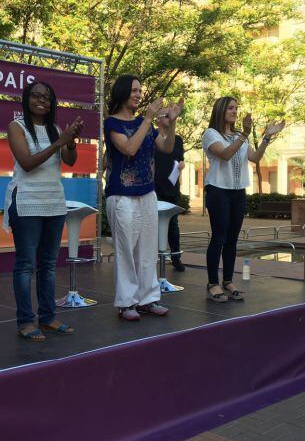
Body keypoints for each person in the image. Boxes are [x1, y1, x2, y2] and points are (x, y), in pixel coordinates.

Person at [5, 81, 82, 341]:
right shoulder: (16, 127)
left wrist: (70, 143)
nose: (41, 100)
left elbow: (70, 162)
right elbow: (26, 163)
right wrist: (59, 142)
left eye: (47, 97)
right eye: (36, 95)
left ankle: (47, 317)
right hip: (26, 203)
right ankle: (25, 321)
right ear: (26, 98)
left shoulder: (55, 129)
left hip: (54, 202)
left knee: (48, 265)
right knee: (26, 265)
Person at [104, 75, 182, 321]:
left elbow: (167, 148)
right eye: (134, 90)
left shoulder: (143, 123)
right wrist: (148, 118)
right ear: (122, 93)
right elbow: (128, 149)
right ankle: (127, 303)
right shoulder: (112, 123)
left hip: (147, 193)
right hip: (121, 195)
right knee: (126, 251)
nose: (138, 94)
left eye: (140, 90)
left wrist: (172, 124)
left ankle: (148, 299)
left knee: (148, 250)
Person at [202, 97, 284, 302]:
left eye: (236, 108)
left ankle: (228, 281)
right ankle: (213, 283)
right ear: (220, 110)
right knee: (219, 237)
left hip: (238, 191)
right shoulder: (211, 134)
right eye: (231, 108)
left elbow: (254, 158)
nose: (235, 111)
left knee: (232, 239)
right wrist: (245, 133)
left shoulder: (240, 136)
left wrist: (266, 137)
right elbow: (225, 155)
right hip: (218, 190)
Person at [155, 125, 186, 272]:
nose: (169, 117)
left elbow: (180, 159)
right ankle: (152, 256)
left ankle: (175, 257)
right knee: (152, 223)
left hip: (171, 187)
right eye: (165, 115)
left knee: (173, 224)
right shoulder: (153, 136)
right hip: (153, 187)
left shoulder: (178, 140)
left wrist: (182, 164)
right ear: (158, 118)